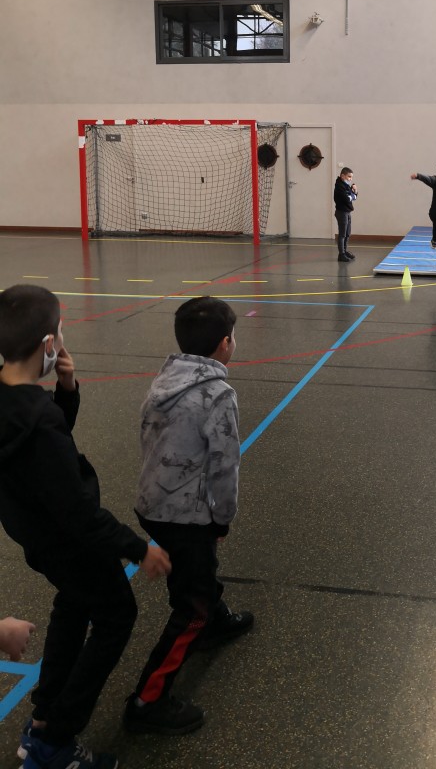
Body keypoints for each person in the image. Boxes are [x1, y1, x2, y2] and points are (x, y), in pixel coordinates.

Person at [0, 284, 171, 769]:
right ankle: (55, 738)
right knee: (116, 615)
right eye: (59, 333)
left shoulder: (15, 405)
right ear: (48, 345)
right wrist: (137, 548)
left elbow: (40, 451)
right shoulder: (38, 420)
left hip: (40, 539)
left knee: (74, 605)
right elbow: (77, 510)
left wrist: (66, 390)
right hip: (73, 541)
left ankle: (42, 718)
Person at [123, 296, 253, 737]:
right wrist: (222, 517)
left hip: (152, 506)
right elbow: (224, 464)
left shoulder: (165, 378)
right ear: (225, 344)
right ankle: (148, 701)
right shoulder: (219, 394)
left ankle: (214, 621)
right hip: (187, 516)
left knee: (197, 569)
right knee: (190, 606)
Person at [334, 166, 358, 262]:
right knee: (342, 234)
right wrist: (352, 195)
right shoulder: (339, 186)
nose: (350, 179)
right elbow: (347, 199)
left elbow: (354, 197)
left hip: (347, 212)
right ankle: (341, 254)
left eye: (351, 177)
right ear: (342, 176)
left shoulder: (346, 186)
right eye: (349, 176)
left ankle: (345, 251)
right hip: (341, 212)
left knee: (347, 233)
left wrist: (355, 191)